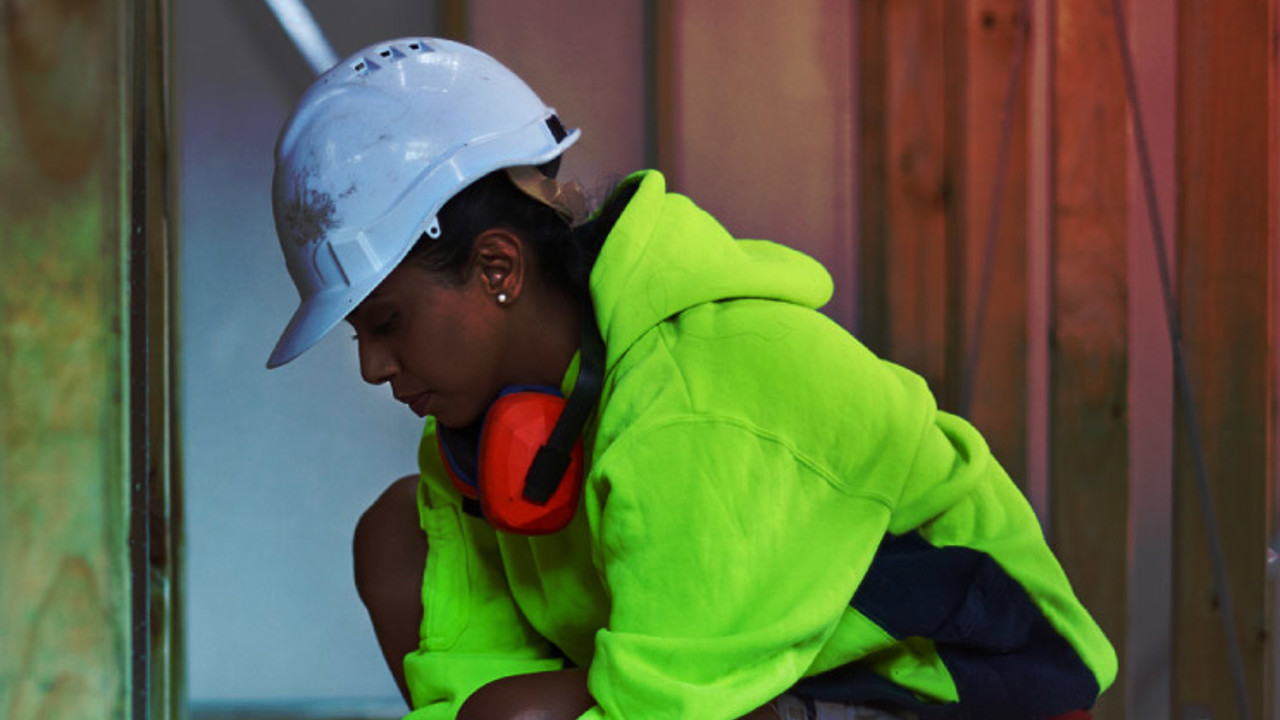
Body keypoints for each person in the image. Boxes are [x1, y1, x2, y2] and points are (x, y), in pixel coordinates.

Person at [266, 37, 1116, 720]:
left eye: (387, 324)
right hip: (749, 665)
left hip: (961, 684)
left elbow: (669, 703)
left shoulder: (697, 399)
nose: (374, 366)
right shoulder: (476, 425)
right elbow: (470, 663)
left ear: (497, 268)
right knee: (395, 536)